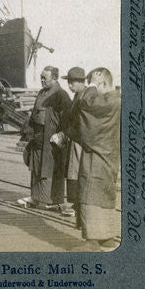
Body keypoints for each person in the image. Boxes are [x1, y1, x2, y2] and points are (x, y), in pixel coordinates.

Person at [62, 67, 120, 251]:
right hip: (109, 155)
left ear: (103, 83)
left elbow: (89, 105)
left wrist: (91, 87)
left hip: (97, 155)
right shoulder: (115, 101)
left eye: (96, 85)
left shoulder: (110, 101)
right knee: (104, 194)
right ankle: (106, 238)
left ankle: (92, 240)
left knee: (90, 192)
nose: (93, 90)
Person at [19, 66, 72, 214]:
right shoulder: (42, 92)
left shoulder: (61, 95)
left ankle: (53, 201)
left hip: (51, 138)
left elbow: (67, 119)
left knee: (51, 169)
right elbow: (34, 114)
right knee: (36, 167)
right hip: (38, 136)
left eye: (45, 78)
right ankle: (36, 197)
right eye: (41, 77)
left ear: (54, 78)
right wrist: (27, 133)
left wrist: (61, 135)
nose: (42, 80)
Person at [59, 67, 86, 222]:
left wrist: (67, 132)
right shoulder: (77, 95)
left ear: (82, 82)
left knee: (77, 172)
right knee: (73, 171)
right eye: (68, 82)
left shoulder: (83, 97)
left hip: (79, 141)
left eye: (72, 82)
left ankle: (78, 206)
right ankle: (76, 204)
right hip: (74, 139)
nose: (70, 86)